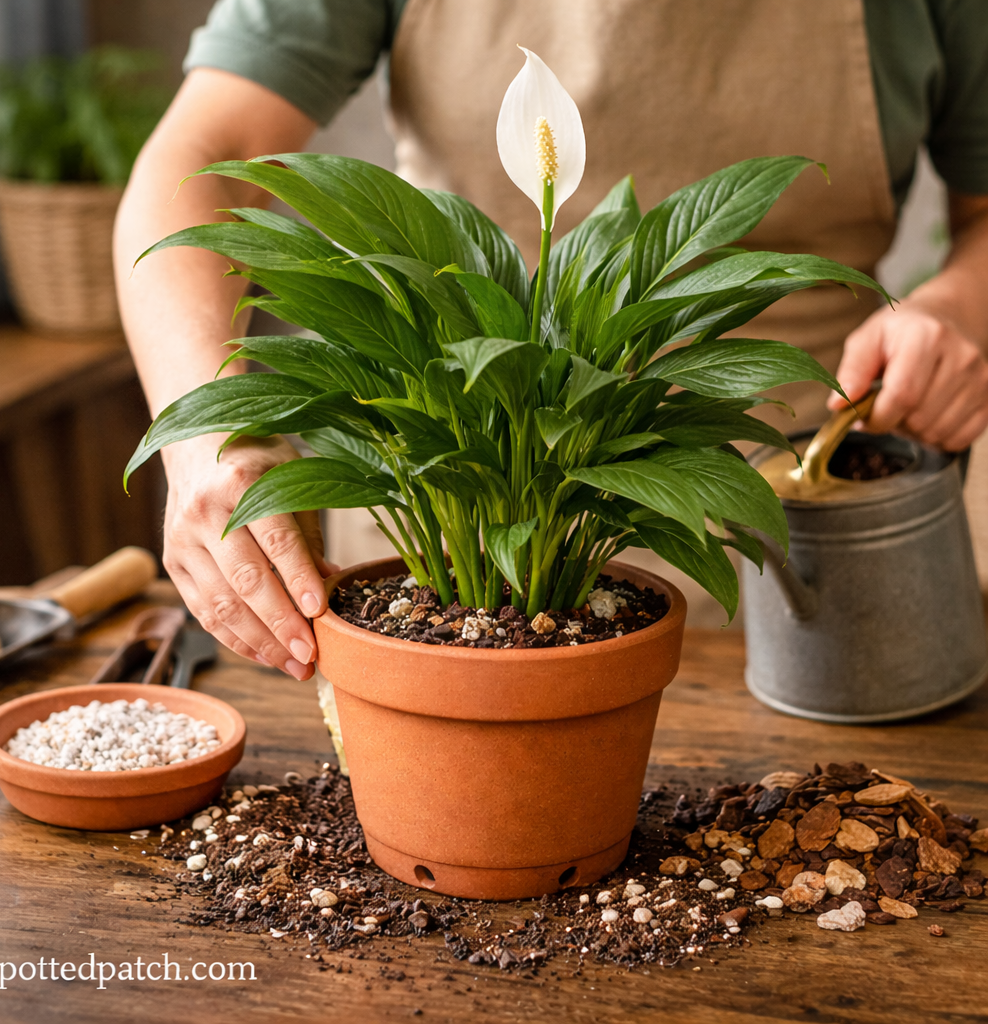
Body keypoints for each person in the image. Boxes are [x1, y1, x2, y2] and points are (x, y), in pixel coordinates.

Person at [115, 0, 988, 679]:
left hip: (797, 521)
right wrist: (205, 434)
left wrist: (958, 302)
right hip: (443, 547)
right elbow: (199, 159)